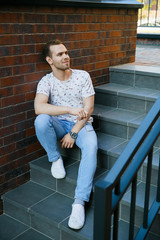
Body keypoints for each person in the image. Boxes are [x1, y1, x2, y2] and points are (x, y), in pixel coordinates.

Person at [34, 39, 98, 230]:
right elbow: (39, 107)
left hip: (81, 123)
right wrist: (70, 109)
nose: (66, 56)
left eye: (66, 52)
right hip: (60, 122)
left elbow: (89, 108)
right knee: (41, 120)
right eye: (60, 54)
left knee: (92, 147)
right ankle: (55, 158)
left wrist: (73, 133)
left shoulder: (82, 76)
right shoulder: (46, 81)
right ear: (50, 60)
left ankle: (79, 203)